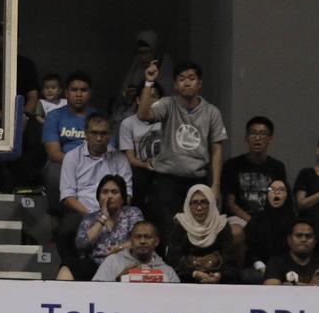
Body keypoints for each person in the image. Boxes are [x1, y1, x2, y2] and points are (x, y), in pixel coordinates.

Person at [136, 60, 227, 230]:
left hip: (198, 178)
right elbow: (143, 115)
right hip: (167, 179)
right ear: (176, 85)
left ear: (199, 84)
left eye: (191, 78)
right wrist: (149, 82)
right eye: (181, 79)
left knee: (197, 228)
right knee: (169, 228)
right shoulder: (167, 104)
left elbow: (217, 149)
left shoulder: (212, 112)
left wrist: (215, 186)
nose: (186, 82)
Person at [56, 116, 136, 278]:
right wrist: (92, 216)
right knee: (66, 228)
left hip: (115, 211)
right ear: (86, 134)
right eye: (94, 133)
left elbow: (126, 195)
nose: (99, 138)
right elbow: (68, 196)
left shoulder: (120, 159)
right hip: (83, 211)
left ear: (111, 134)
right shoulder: (72, 157)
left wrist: (110, 212)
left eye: (104, 133)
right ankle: (71, 268)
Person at [0, 22, 39, 192]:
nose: (11, 39)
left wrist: (23, 116)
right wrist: (4, 120)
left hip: (22, 118)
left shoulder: (27, 64)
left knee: (38, 136)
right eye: (5, 35)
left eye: (15, 36)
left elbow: (33, 95)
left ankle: (27, 186)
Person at [221, 116, 287, 237]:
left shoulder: (277, 167)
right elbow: (230, 204)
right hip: (239, 218)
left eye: (263, 134)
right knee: (236, 233)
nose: (257, 138)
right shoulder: (232, 165)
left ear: (270, 139)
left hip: (267, 219)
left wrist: (264, 222)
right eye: (253, 133)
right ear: (246, 138)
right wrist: (252, 221)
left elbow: (279, 200)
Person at [71, 174, 143, 281]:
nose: (109, 196)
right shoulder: (90, 218)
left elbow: (140, 239)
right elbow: (81, 245)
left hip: (123, 262)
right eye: (105, 192)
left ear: (123, 198)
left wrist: (120, 248)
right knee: (71, 265)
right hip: (95, 265)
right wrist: (103, 217)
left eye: (114, 192)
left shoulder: (132, 213)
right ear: (98, 197)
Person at [165, 184, 238, 284]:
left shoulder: (221, 225)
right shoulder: (180, 224)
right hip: (186, 279)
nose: (199, 208)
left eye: (204, 202)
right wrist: (194, 273)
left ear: (212, 203)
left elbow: (230, 261)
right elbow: (173, 260)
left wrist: (218, 275)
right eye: (194, 203)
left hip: (218, 279)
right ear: (188, 204)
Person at [41, 72, 96, 201]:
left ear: (90, 94)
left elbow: (108, 150)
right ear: (66, 93)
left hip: (94, 164)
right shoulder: (54, 116)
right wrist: (79, 164)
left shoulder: (98, 117)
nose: (78, 94)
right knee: (52, 171)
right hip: (62, 164)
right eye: (74, 90)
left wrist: (89, 165)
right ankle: (56, 215)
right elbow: (53, 153)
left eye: (83, 90)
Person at [119, 80, 163, 215]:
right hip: (140, 170)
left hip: (165, 169)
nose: (150, 100)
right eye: (146, 96)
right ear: (138, 100)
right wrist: (145, 165)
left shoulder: (168, 120)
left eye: (154, 97)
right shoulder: (128, 123)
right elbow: (130, 158)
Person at [92, 220, 180, 282]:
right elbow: (96, 291)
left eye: (147, 237)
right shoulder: (113, 262)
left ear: (156, 242)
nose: (142, 241)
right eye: (138, 237)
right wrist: (118, 280)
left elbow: (178, 299)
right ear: (131, 241)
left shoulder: (167, 271)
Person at [243, 178, 296, 279]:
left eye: (281, 189)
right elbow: (250, 248)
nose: (276, 192)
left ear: (287, 195)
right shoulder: (257, 220)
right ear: (267, 195)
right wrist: (261, 266)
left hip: (287, 268)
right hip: (260, 268)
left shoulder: (295, 221)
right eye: (272, 189)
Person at [263, 220, 319, 286]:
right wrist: (310, 286)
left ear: (315, 241)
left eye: (308, 236)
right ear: (289, 239)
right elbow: (271, 288)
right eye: (299, 235)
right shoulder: (276, 263)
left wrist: (288, 284)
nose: (303, 239)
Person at [120, 29, 174, 96]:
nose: (143, 57)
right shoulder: (136, 67)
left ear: (155, 52)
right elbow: (124, 92)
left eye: (147, 52)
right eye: (140, 53)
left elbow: (167, 94)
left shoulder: (165, 68)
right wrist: (126, 93)